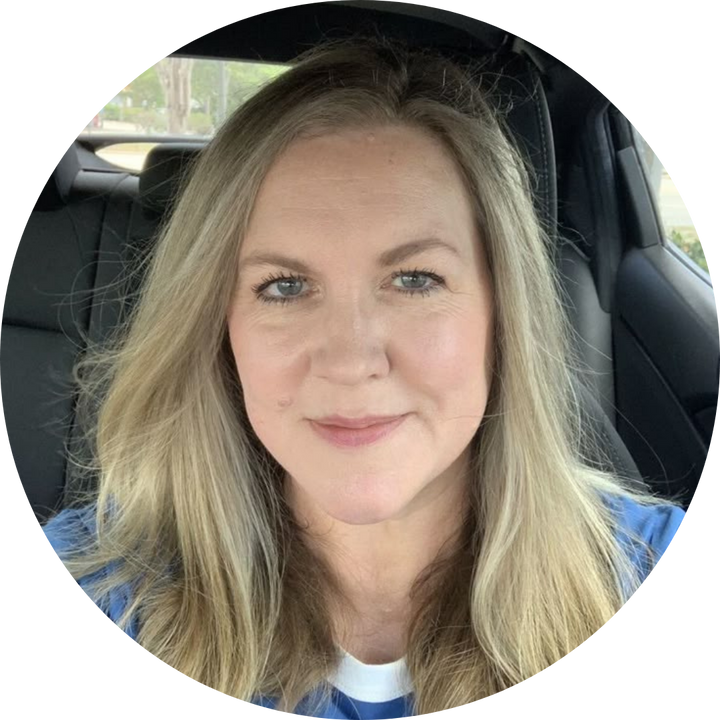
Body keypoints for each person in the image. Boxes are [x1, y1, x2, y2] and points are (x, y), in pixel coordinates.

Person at [39, 34, 688, 718]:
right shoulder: (105, 585)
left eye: (414, 279)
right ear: (217, 329)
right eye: (284, 286)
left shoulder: (640, 567)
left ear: (504, 314)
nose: (350, 362)